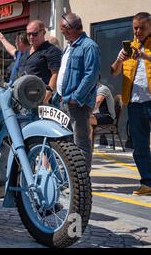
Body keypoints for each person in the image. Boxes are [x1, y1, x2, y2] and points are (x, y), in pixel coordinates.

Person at [111, 12, 151, 196]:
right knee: (140, 145)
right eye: (135, 27)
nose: (138, 31)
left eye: (142, 27)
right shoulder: (129, 47)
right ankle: (147, 183)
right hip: (135, 104)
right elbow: (114, 73)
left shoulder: (144, 49)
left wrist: (144, 56)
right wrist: (119, 60)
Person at [57, 13, 100, 173]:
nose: (61, 33)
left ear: (70, 29)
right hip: (65, 100)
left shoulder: (89, 46)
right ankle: (71, 177)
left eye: (63, 29)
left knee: (80, 142)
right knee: (67, 141)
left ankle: (82, 179)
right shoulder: (70, 45)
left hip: (77, 104)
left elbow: (91, 75)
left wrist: (76, 97)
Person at [16, 20, 62, 103]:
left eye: (34, 34)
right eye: (28, 34)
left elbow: (56, 74)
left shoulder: (51, 50)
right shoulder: (26, 52)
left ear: (43, 32)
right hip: (23, 99)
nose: (31, 37)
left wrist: (47, 96)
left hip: (40, 99)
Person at [90, 79, 116, 146]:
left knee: (85, 119)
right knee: (80, 117)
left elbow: (97, 102)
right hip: (98, 115)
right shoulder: (91, 89)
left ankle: (87, 146)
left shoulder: (102, 89)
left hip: (107, 116)